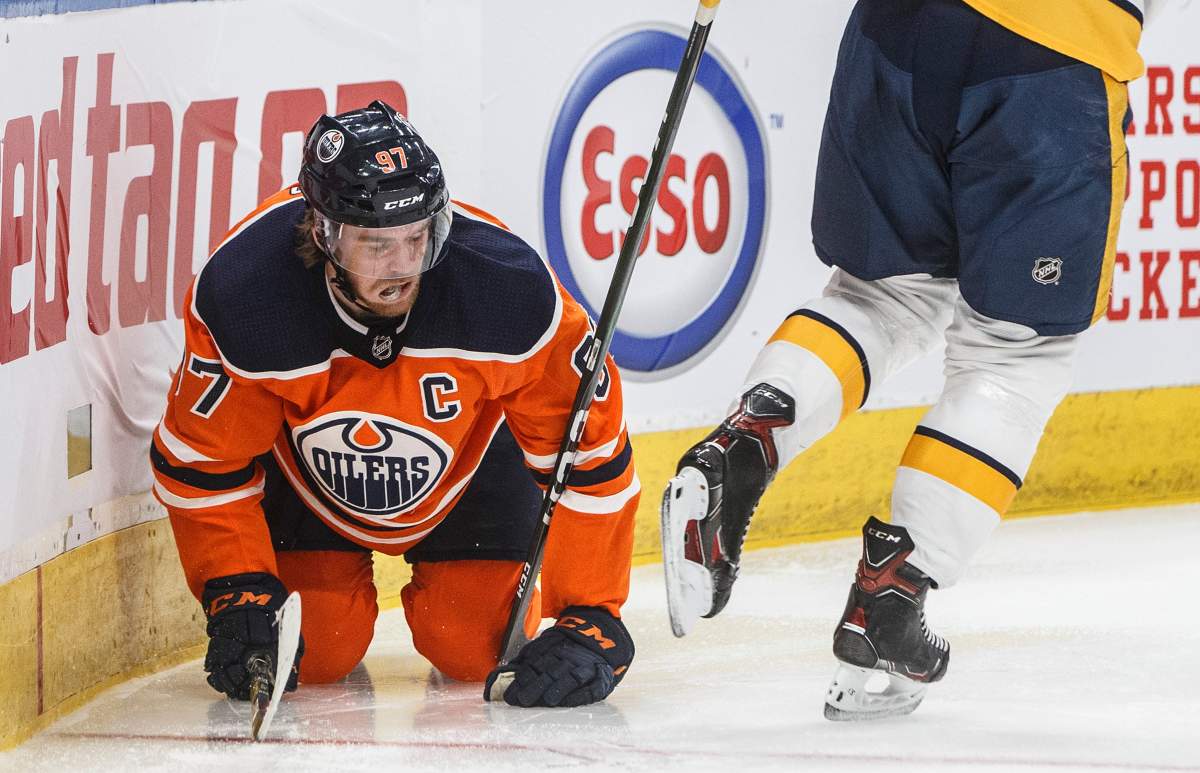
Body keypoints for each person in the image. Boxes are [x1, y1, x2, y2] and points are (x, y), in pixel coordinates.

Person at [662, 0, 1148, 720]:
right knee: (1016, 351)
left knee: (880, 295)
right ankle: (893, 596)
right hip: (1050, 43)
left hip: (898, 31)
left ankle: (746, 446)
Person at [151, 101, 639, 709]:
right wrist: (237, 587)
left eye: (418, 237)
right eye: (377, 244)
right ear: (323, 232)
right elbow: (201, 463)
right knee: (318, 649)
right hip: (309, 485)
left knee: (475, 649)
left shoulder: (508, 293)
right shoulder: (250, 295)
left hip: (472, 466)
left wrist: (590, 615)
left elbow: (591, 458)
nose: (405, 265)